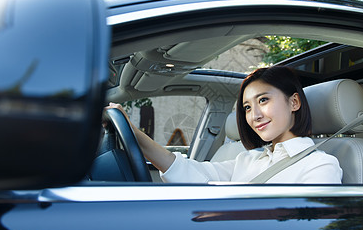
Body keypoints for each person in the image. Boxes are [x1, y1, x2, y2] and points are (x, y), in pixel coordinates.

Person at [106, 66, 342, 184]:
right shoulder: (249, 159)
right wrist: (133, 133)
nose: (255, 115)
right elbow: (194, 173)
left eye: (263, 100)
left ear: (294, 102)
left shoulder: (320, 165)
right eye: (247, 107)